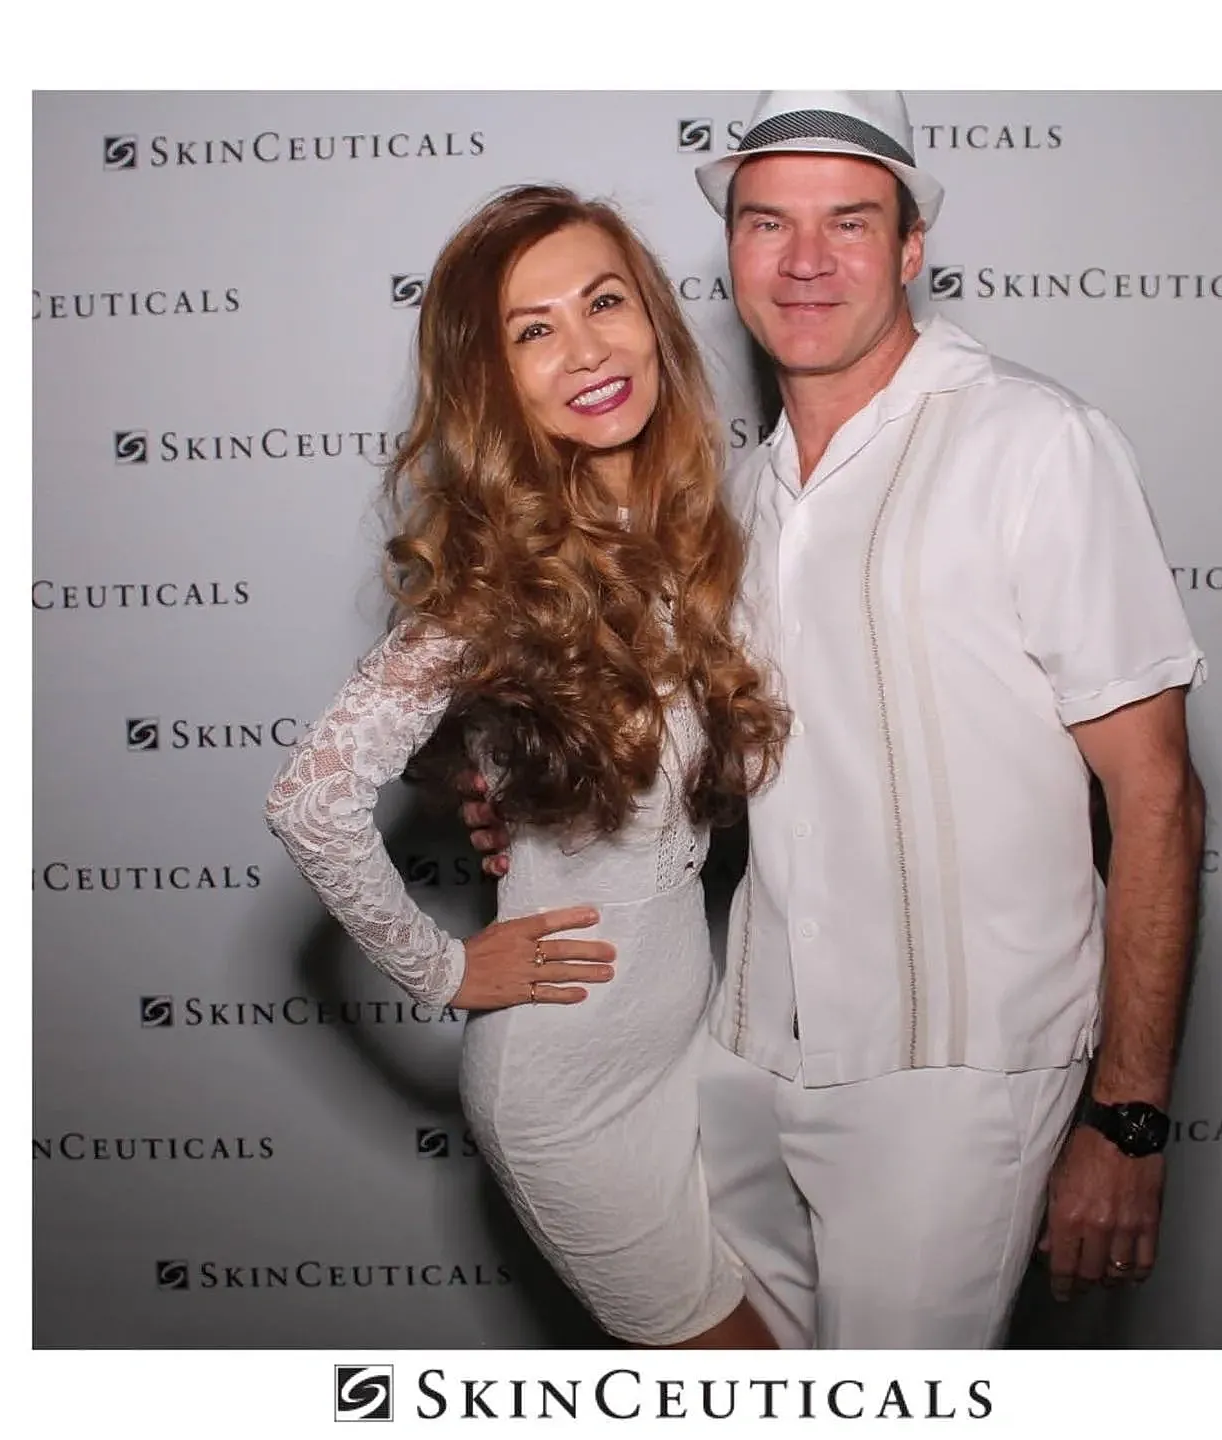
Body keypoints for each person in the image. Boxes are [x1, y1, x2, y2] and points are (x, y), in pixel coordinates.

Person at [466, 92, 1209, 1349]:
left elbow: (1159, 798)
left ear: (911, 247)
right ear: (731, 254)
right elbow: (707, 751)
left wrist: (1128, 1113)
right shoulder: (734, 496)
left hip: (953, 1071)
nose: (805, 261)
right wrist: (523, 795)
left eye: (849, 222)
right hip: (743, 1049)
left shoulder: (1036, 443)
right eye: (768, 224)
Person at [265, 183, 791, 1349]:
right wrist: (443, 972)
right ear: (492, 380)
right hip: (572, 1094)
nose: (587, 349)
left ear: (654, 316)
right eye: (533, 330)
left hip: (700, 1054)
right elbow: (310, 801)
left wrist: (480, 767)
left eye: (605, 302)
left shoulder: (692, 537)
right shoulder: (489, 589)